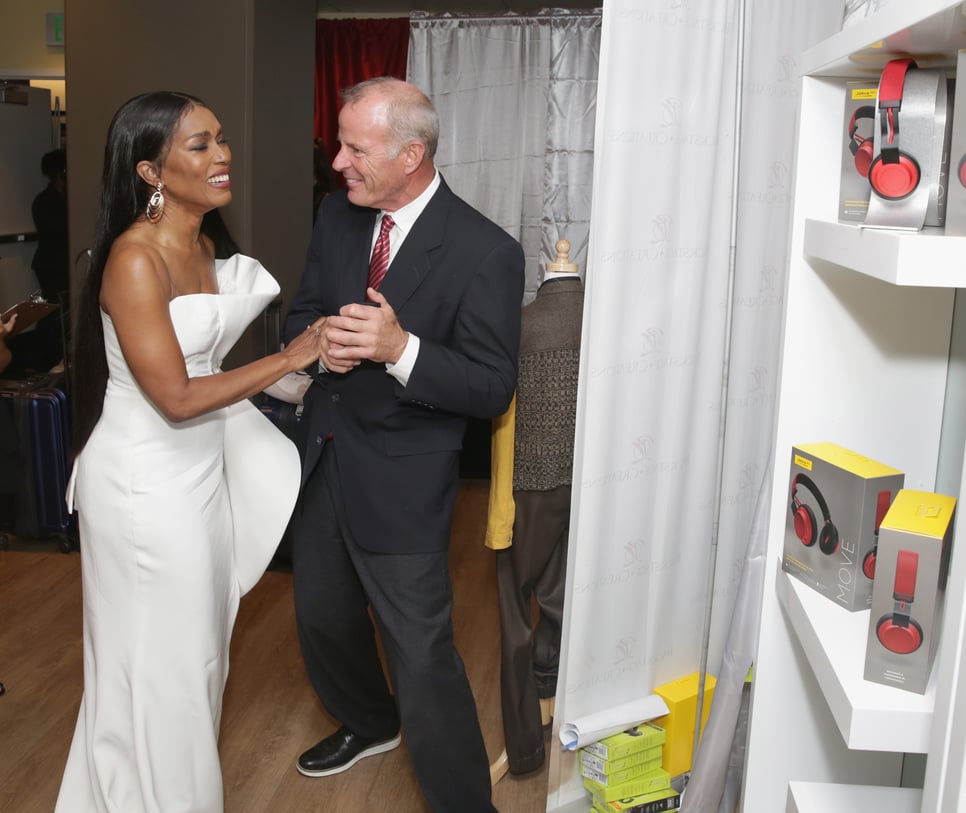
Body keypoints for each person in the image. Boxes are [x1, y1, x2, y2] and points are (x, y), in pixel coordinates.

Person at [56, 90, 325, 813]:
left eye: (220, 138)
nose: (223, 154)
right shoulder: (133, 260)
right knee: (165, 658)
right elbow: (174, 396)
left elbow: (202, 377)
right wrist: (287, 356)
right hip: (145, 484)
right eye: (200, 145)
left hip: (199, 471)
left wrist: (299, 377)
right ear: (150, 171)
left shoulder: (205, 246)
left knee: (200, 651)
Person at [284, 76, 525, 812]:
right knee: (320, 617)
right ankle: (369, 720)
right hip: (324, 454)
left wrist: (400, 347)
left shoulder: (487, 251)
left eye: (357, 149)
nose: (339, 164)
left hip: (403, 479)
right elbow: (300, 311)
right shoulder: (337, 217)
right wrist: (321, 346)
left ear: (411, 153)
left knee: (421, 656)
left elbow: (491, 387)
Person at [487, 239, 584, 783]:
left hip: (529, 486)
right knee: (562, 594)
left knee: (513, 607)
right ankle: (556, 692)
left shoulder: (520, 326)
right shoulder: (604, 325)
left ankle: (524, 750)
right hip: (593, 484)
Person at [31, 148, 70, 304]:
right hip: (52, 265)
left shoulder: (47, 200)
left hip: (55, 263)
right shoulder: (44, 202)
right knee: (53, 308)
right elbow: (55, 231)